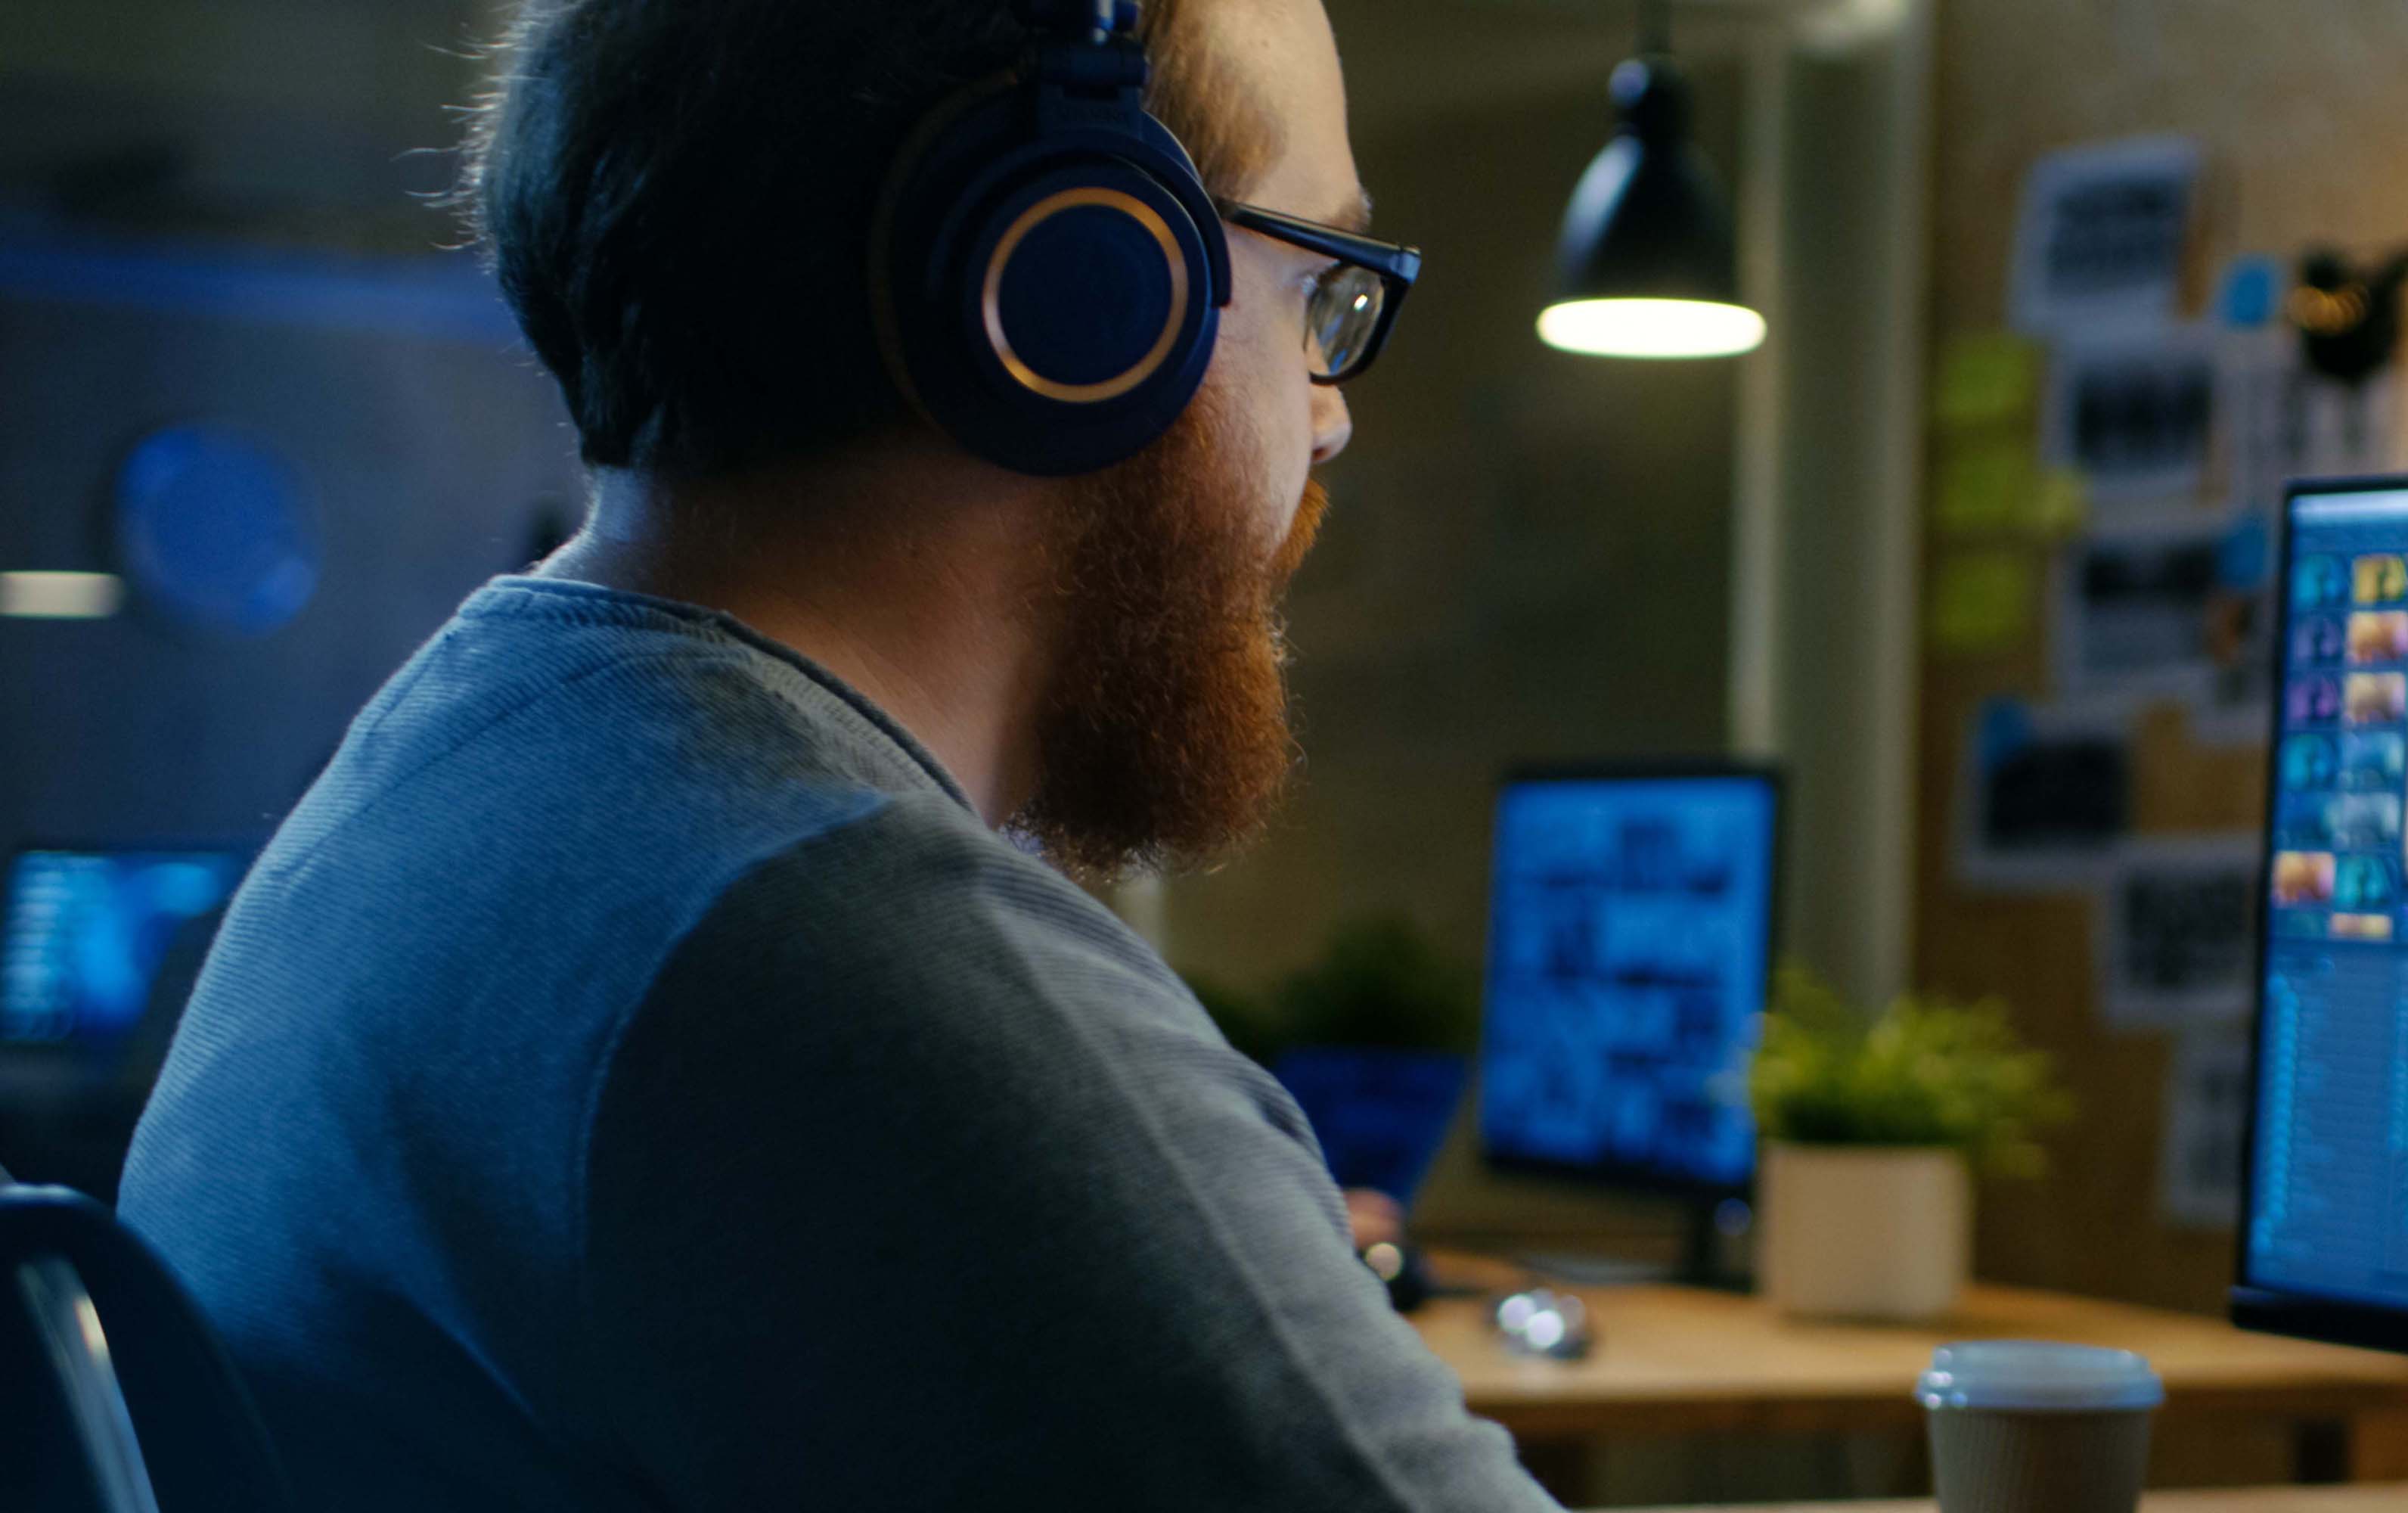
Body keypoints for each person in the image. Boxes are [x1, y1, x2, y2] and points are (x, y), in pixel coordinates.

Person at [117, 1, 1563, 1508]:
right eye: (1312, 286)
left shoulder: (454, 783)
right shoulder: (844, 958)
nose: (1328, 417)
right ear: (1082, 288)